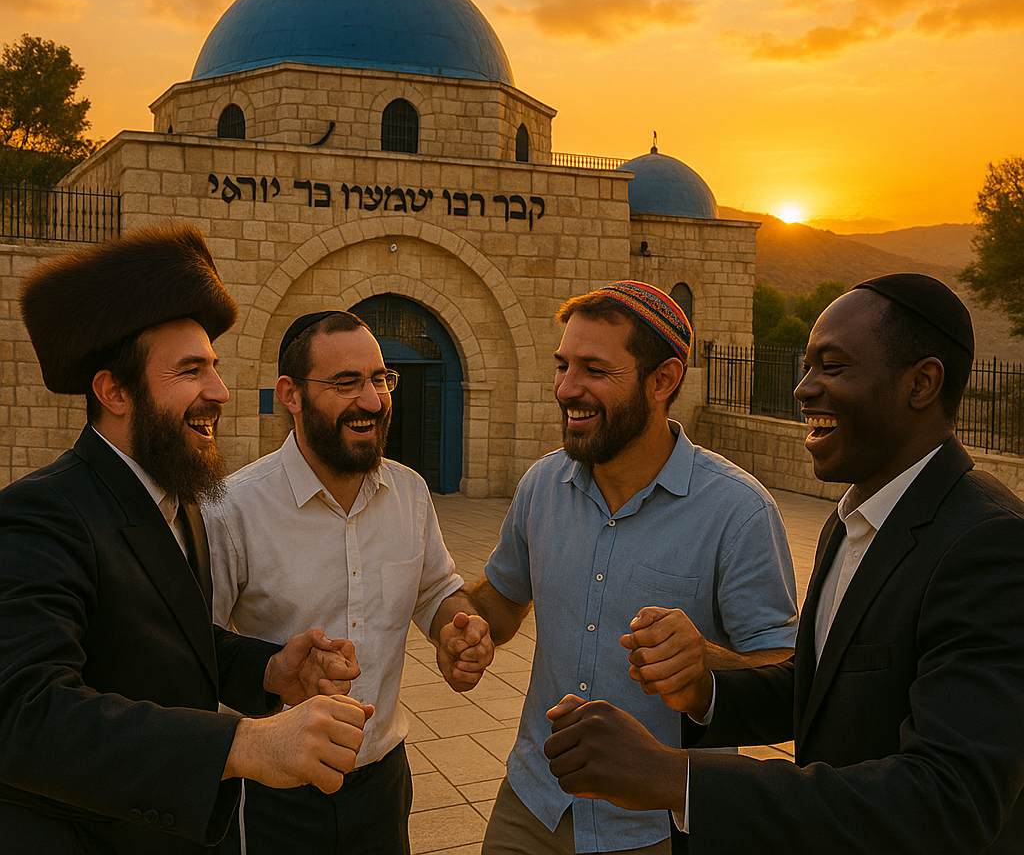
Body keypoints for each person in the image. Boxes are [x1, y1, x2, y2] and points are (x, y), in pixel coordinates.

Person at [545, 273, 1024, 854]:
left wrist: (674, 776)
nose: (803, 389)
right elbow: (822, 688)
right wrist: (704, 689)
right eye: (805, 366)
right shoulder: (853, 520)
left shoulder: (988, 543)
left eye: (833, 367)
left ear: (921, 383)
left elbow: (949, 799)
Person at [0, 224, 372, 855]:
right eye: (190, 370)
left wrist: (268, 670)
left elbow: (166, 643)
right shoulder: (42, 513)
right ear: (114, 391)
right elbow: (25, 715)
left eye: (216, 368)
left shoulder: (180, 499)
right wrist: (242, 743)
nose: (219, 392)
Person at [461, 280, 798, 855]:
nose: (566, 388)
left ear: (663, 380)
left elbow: (786, 676)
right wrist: (462, 624)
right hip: (533, 802)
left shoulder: (737, 512)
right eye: (562, 365)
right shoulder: (542, 485)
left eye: (594, 369)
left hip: (654, 824)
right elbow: (502, 599)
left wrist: (704, 663)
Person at [203, 310, 493, 855]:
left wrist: (455, 628)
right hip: (271, 792)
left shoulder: (409, 492)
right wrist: (273, 673)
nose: (372, 401)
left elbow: (436, 591)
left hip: (382, 783)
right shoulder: (231, 509)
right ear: (290, 394)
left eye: (380, 379)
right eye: (345, 383)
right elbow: (196, 649)